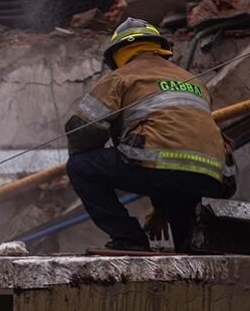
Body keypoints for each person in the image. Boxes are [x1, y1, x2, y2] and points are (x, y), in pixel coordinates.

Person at [64, 18, 237, 252]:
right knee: (186, 241)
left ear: (118, 54)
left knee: (80, 166)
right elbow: (177, 144)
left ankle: (129, 239)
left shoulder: (121, 77)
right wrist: (160, 207)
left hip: (162, 171)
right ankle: (190, 245)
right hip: (213, 177)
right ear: (159, 47)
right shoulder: (194, 81)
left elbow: (82, 132)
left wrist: (84, 151)